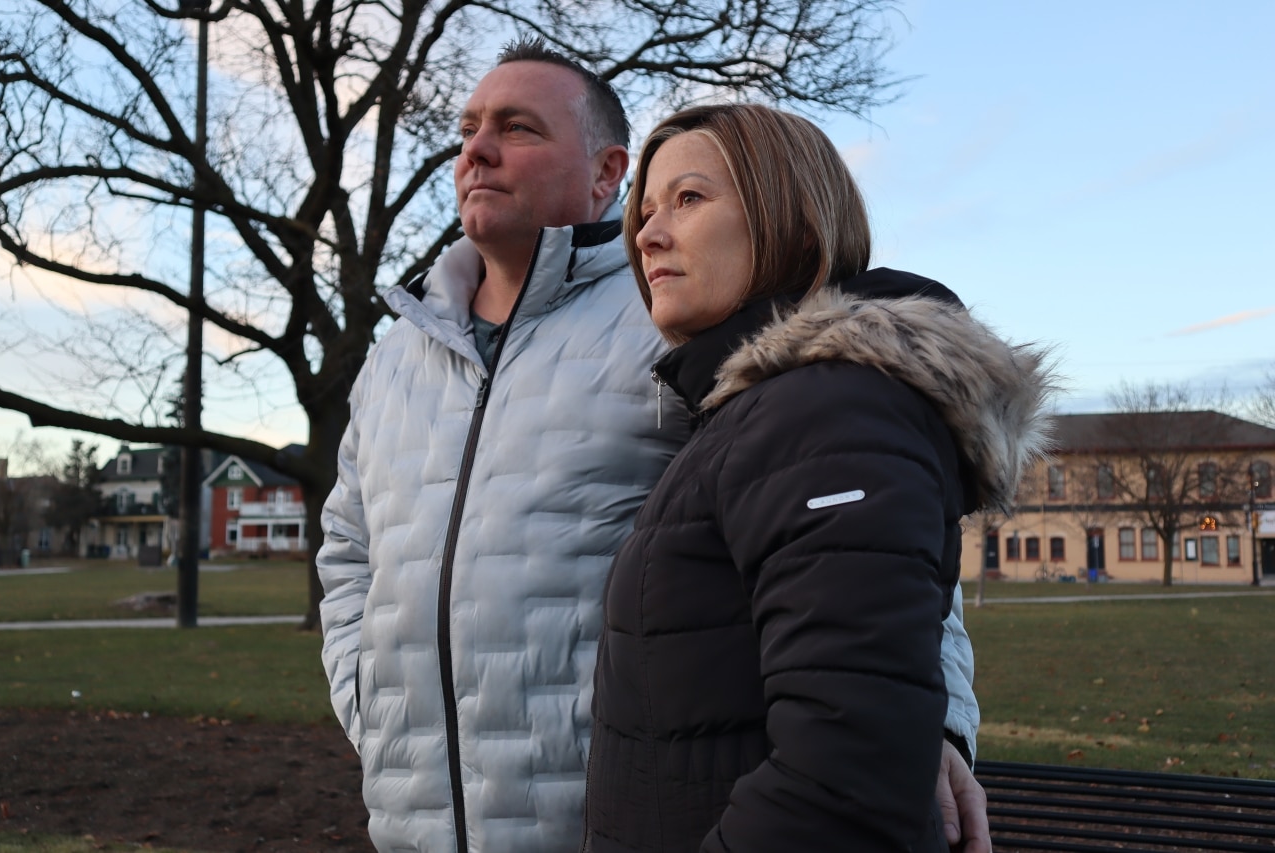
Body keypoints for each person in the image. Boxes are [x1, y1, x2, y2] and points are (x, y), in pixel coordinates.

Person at [318, 41, 991, 853]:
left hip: (625, 823)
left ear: (607, 174)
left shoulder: (683, 316)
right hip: (412, 825)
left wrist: (939, 725)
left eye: (517, 127)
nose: (477, 148)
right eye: (468, 127)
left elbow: (874, 544)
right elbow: (348, 549)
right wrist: (370, 701)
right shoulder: (397, 353)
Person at [581, 104, 1053, 852]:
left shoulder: (828, 408)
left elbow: (848, 774)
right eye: (643, 211)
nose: (646, 233)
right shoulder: (760, 413)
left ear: (794, 221)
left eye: (689, 198)